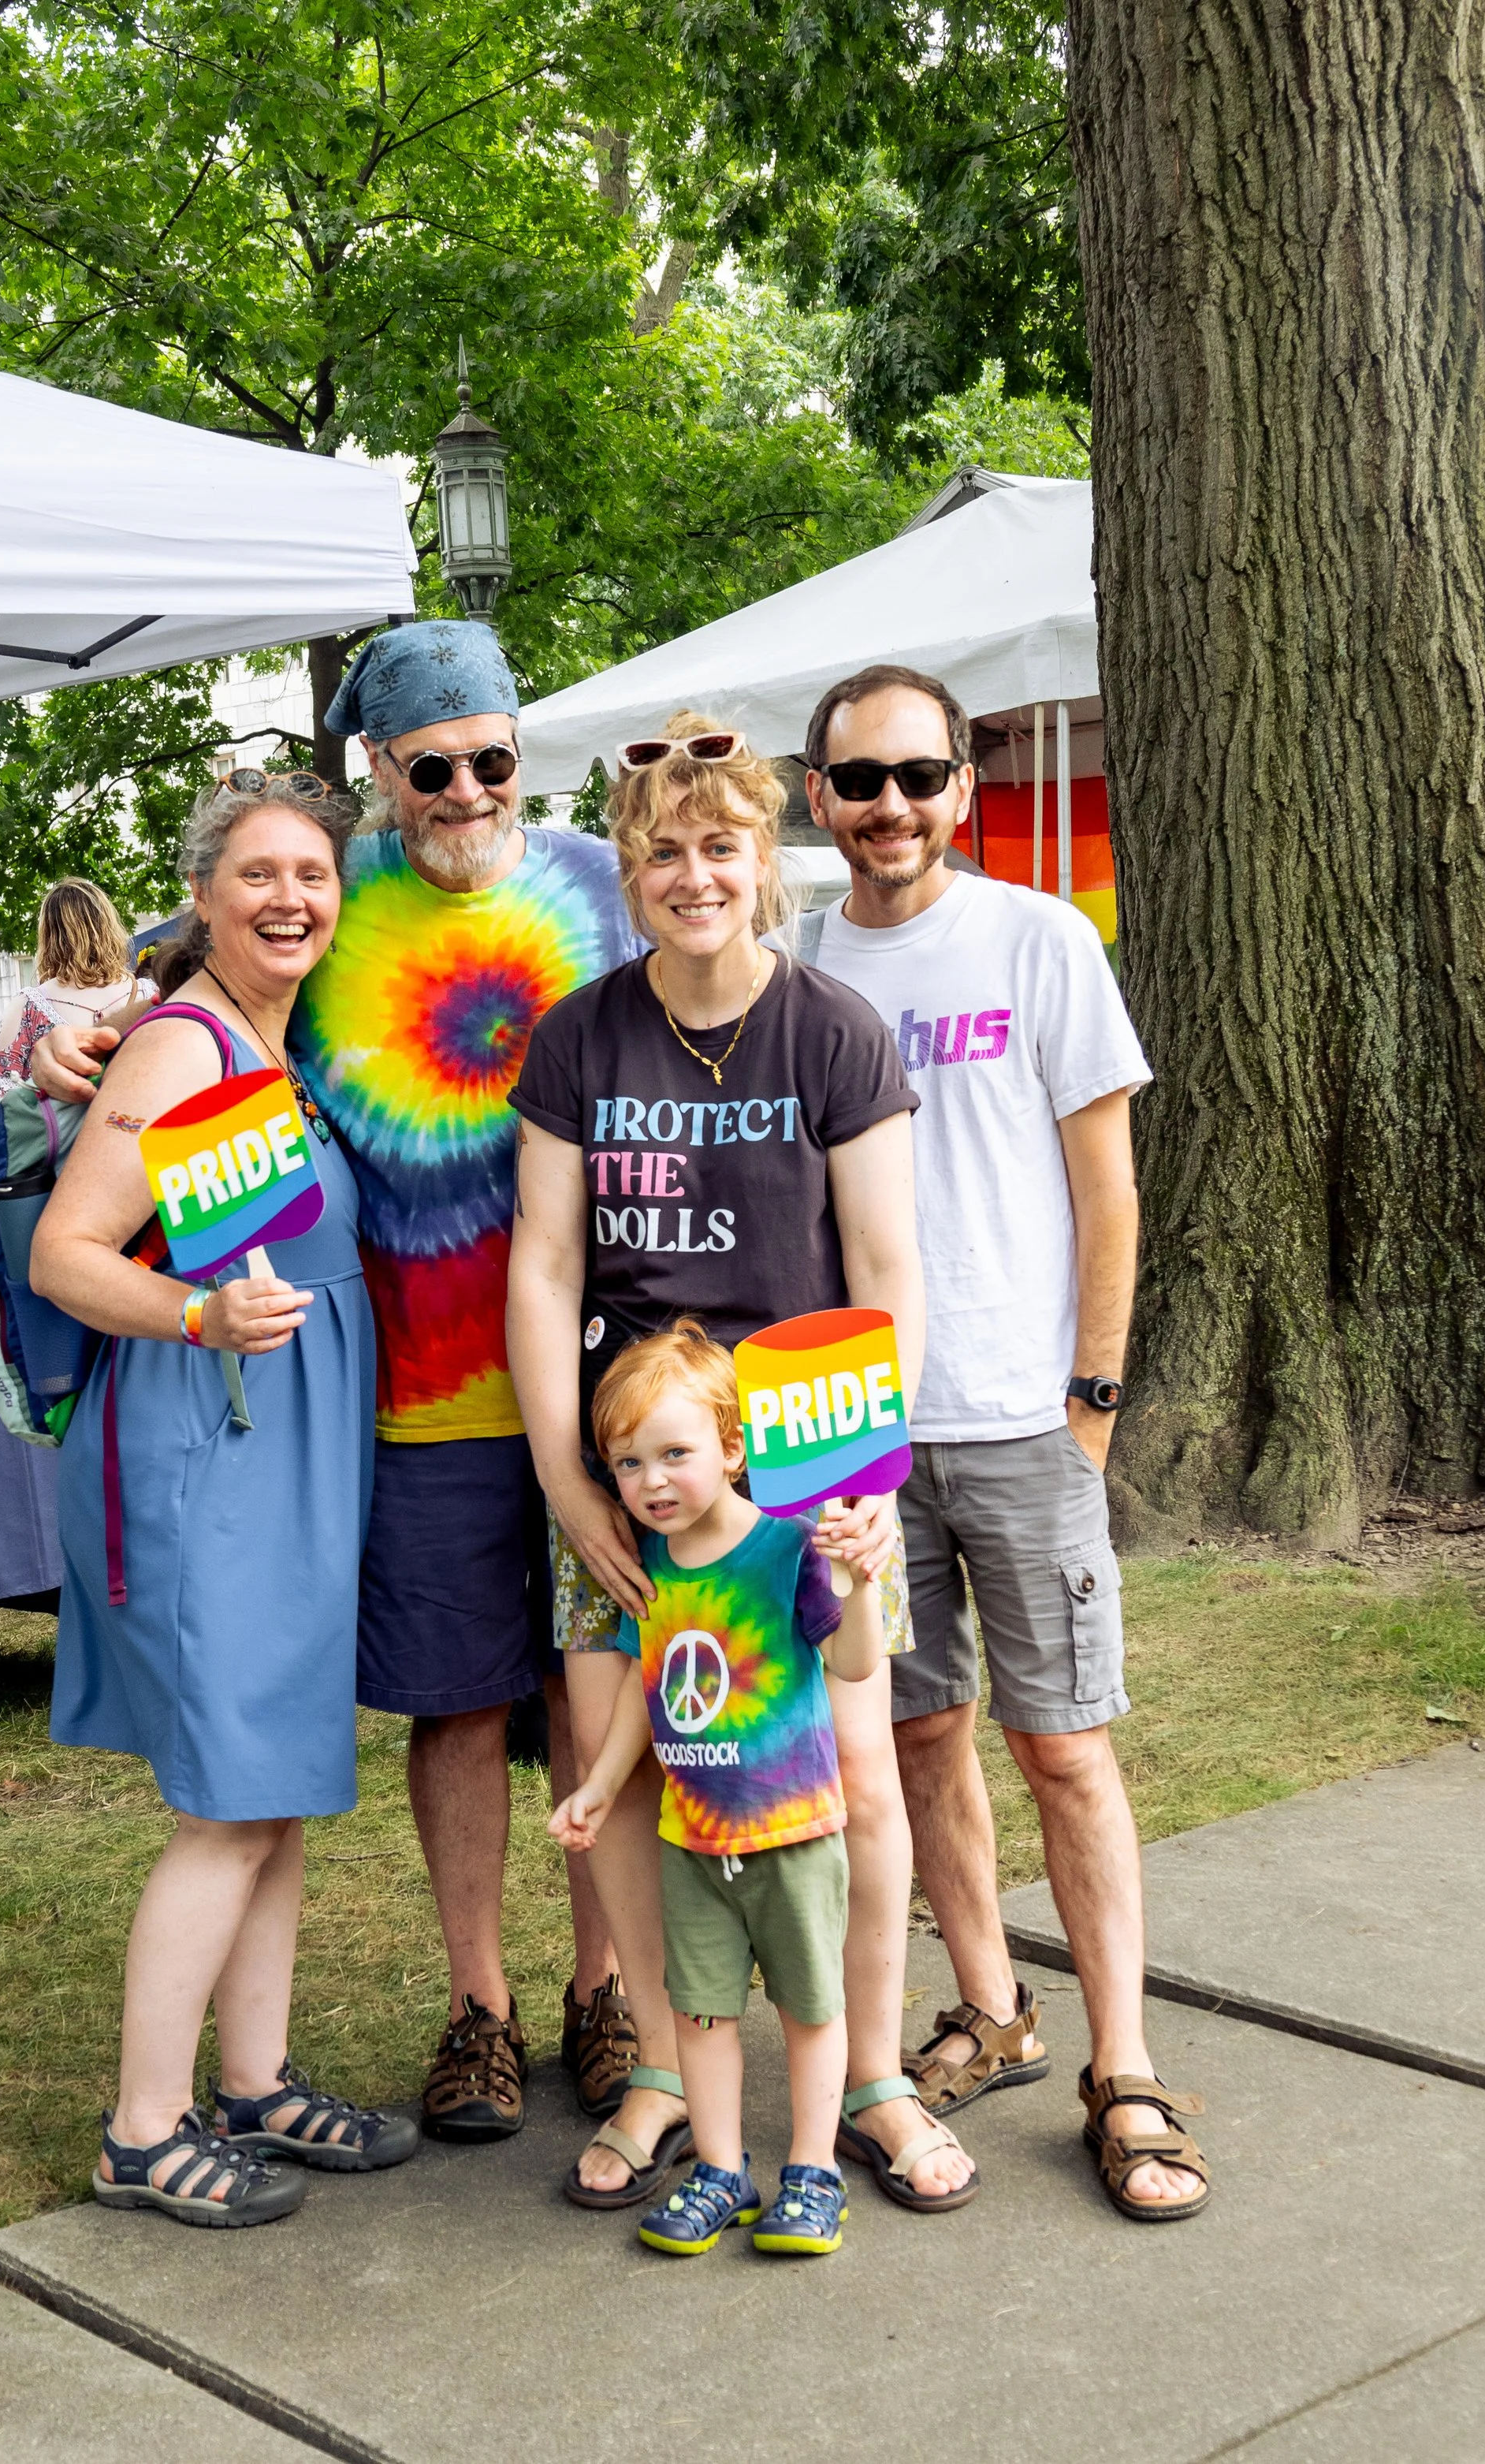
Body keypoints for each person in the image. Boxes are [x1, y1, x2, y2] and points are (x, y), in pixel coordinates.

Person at [27, 623, 642, 2145]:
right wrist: (104, 1043)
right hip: (400, 1408)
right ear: (383, 777)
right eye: (431, 767)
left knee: (591, 1700)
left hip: (589, 1387)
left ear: (522, 756)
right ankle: (481, 2008)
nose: (465, 790)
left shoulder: (594, 882)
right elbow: (196, 1009)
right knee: (449, 1705)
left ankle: (606, 1994)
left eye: (491, 758)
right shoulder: (331, 888)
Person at [507, 715, 975, 2216]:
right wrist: (569, 1484)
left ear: (768, 860)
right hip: (636, 1470)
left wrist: (863, 1484)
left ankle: (878, 2077)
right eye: (664, 850)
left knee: (856, 1777)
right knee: (622, 1780)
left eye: (721, 846)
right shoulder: (582, 1037)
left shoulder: (833, 1029)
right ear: (630, 873)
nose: (693, 874)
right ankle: (662, 2066)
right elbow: (543, 1263)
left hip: (807, 1472)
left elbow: (890, 1265)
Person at [798, 662, 1208, 2222]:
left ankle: (1124, 2062)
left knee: (1065, 1746)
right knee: (912, 1742)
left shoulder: (1041, 938)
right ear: (817, 795)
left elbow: (1106, 1189)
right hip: (861, 1440)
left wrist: (1089, 1401)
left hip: (1026, 1415)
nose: (887, 805)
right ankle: (988, 2004)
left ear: (961, 788)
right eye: (857, 779)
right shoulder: (793, 963)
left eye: (915, 774)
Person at [30, 771, 418, 2227]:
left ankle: (252, 2085)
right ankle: (143, 2127)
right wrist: (197, 1323)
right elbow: (71, 1252)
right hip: (213, 1447)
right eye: (257, 874)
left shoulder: (272, 1035)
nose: (289, 900)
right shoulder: (182, 1046)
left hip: (291, 1446)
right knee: (228, 1801)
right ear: (201, 897)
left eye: (311, 874)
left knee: (280, 1789)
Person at [550, 1324, 888, 2257]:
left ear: (733, 1448)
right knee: (699, 2012)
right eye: (627, 1462)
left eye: (674, 1453)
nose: (651, 1480)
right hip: (690, 1841)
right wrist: (599, 1785)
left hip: (790, 1835)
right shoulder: (651, 1562)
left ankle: (813, 2171)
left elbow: (854, 1664)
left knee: (810, 2010)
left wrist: (859, 1581)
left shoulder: (788, 1546)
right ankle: (719, 2165)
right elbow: (639, 1682)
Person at [0, 878, 137, 1115]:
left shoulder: (28, 1007)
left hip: (61, 1147)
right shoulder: (150, 995)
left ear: (49, 935)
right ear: (109, 927)